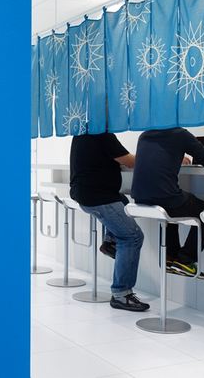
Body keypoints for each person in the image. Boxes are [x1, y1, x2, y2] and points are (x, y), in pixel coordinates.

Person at [70, 133, 149, 312]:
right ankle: (121, 294)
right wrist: (158, 156)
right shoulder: (102, 134)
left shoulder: (82, 132)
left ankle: (110, 242)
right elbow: (130, 162)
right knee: (133, 237)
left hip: (86, 193)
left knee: (123, 201)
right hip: (98, 197)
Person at [131, 127, 204, 278]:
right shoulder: (180, 134)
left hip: (140, 198)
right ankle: (186, 260)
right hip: (164, 199)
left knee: (170, 208)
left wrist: (177, 155)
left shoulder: (144, 135)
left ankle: (170, 257)